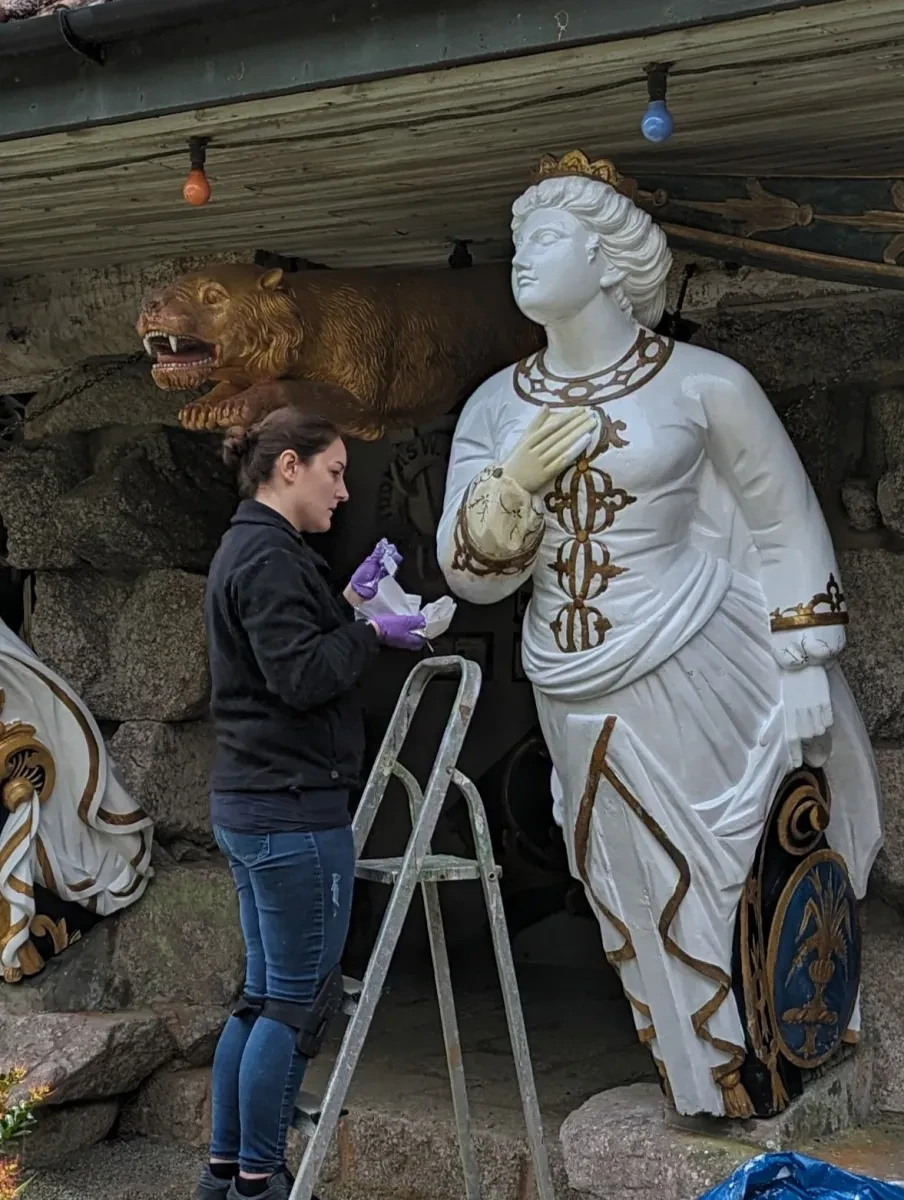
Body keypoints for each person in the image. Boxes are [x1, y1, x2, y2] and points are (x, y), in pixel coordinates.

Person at [436, 152, 882, 1119]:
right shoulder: (494, 407)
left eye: (545, 239)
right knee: (615, 869)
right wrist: (509, 490)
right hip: (568, 674)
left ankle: (760, 1050)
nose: (523, 258)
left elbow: (782, 519)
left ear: (607, 261)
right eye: (517, 241)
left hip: (701, 655)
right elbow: (470, 575)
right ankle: (692, 1060)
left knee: (733, 860)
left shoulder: (706, 385)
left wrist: (806, 661)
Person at [195, 406, 425, 1200]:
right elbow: (301, 676)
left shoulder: (257, 550)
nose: (341, 491)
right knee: (294, 1009)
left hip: (256, 803)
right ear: (286, 466)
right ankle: (260, 1181)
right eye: (333, 472)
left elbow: (289, 653)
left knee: (260, 998)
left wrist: (354, 605)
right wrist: (374, 633)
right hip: (291, 811)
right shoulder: (266, 559)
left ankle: (223, 1173)